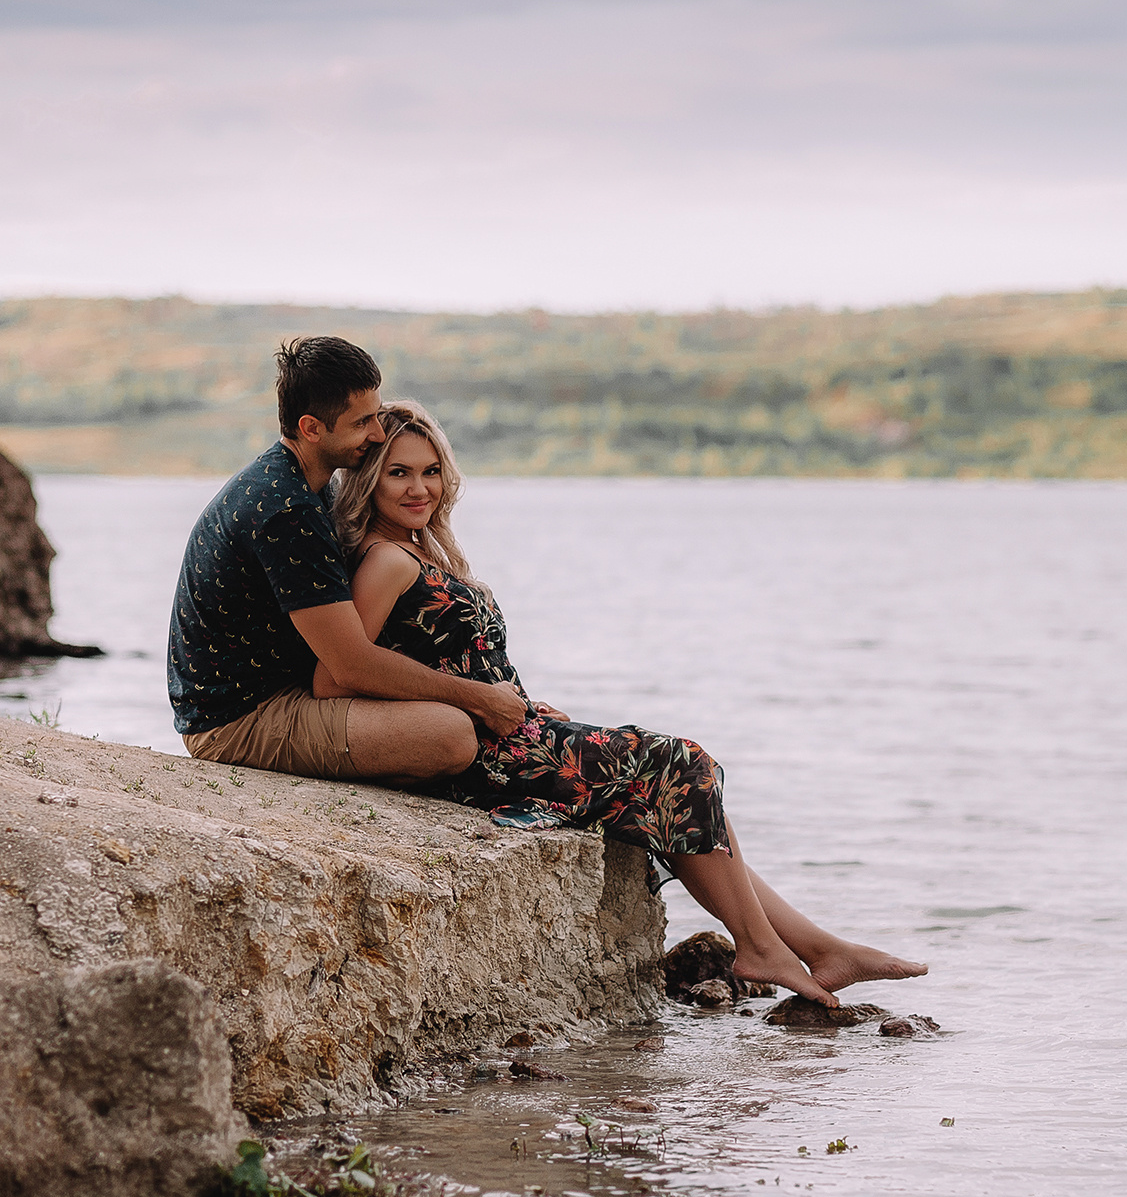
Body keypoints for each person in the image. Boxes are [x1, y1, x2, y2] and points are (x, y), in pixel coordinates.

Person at [313, 398, 928, 1008]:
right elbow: (340, 677)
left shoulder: (422, 549)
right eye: (398, 472)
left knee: (684, 789)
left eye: (429, 471)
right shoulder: (387, 558)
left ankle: (816, 948)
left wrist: (521, 703)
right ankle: (766, 948)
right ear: (369, 480)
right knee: (682, 764)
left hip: (517, 733)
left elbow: (444, 653)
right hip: (488, 760)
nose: (419, 487)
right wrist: (476, 702)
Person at [169, 337, 528, 785]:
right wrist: (479, 699)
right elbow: (351, 666)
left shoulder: (315, 488)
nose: (377, 434)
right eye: (362, 423)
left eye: (376, 416)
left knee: (454, 722)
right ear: (312, 427)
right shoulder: (286, 510)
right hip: (240, 719)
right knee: (451, 734)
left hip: (294, 693)